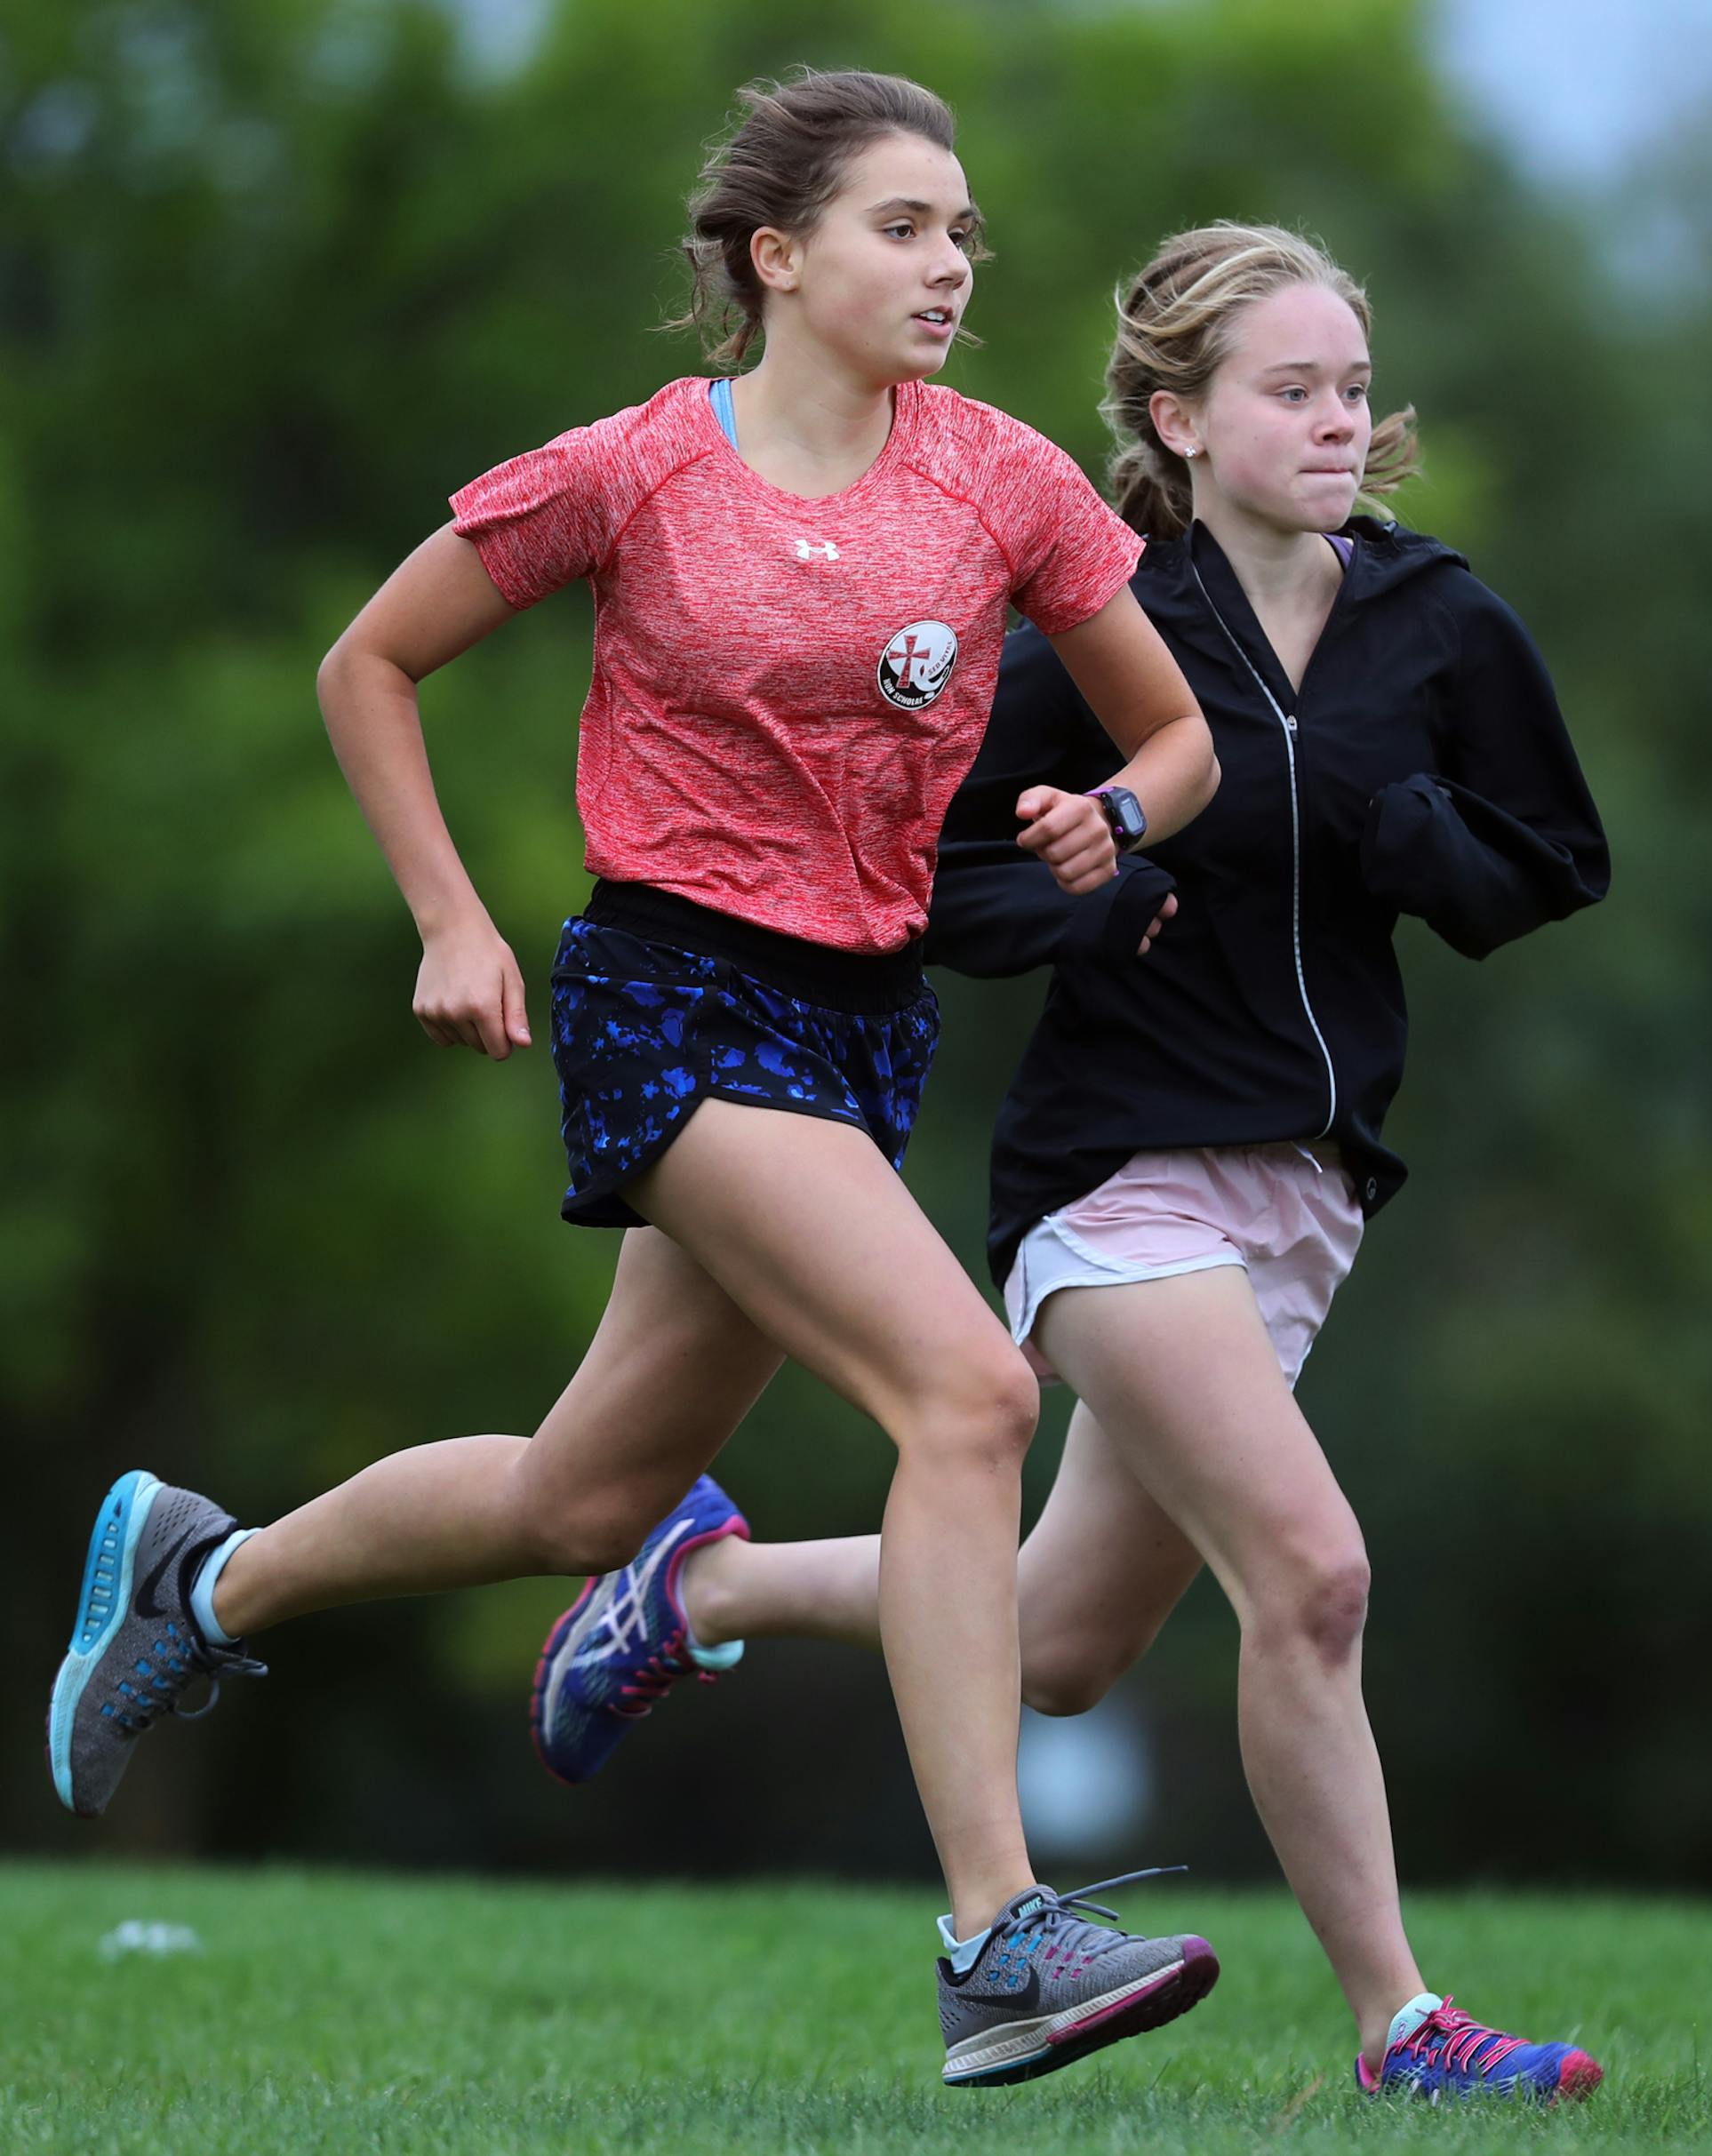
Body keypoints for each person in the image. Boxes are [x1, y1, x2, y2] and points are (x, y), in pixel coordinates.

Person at [44, 71, 1227, 2090]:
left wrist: (1118, 813)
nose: (952, 267)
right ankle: (999, 1936)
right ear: (779, 258)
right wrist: (448, 915)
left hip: (860, 1024)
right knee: (969, 1393)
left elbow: (1182, 735)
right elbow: (367, 665)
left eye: (963, 236)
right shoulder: (634, 469)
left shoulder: (1010, 482)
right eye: (904, 228)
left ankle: (202, 1569)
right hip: (672, 997)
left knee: (582, 1494)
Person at [530, 220, 1612, 2104]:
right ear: (1179, 418)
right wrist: (1091, 900)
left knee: (1066, 1642)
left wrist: (1411, 831)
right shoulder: (1104, 631)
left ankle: (694, 1594)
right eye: (1294, 389)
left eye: (1355, 386)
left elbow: (1550, 859)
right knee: (1313, 1572)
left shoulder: (1439, 619)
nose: (1341, 420)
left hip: (1311, 1186)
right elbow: (922, 873)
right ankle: (1406, 2028)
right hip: (1116, 1181)